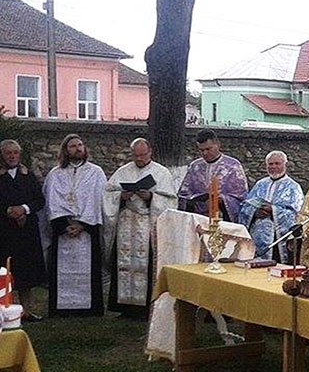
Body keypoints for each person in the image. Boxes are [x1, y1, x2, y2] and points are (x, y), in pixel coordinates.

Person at [102, 138, 177, 318]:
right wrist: (122, 197)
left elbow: (171, 202)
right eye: (136, 155)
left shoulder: (161, 173)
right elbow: (107, 194)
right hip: (126, 224)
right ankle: (126, 308)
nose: (139, 159)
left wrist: (151, 197)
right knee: (124, 264)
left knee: (146, 265)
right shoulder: (123, 172)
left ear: (150, 152)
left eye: (142, 155)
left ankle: (145, 309)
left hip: (147, 226)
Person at [42, 134, 107, 316]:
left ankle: (89, 309)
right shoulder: (55, 174)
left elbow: (100, 200)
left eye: (80, 145)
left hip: (88, 228)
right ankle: (62, 309)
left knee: (89, 270)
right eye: (72, 146)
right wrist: (63, 224)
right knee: (62, 270)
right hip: (62, 228)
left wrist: (83, 224)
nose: (77, 148)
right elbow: (50, 201)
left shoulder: (96, 172)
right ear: (65, 150)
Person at [0, 139, 46, 321]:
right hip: (4, 232)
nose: (12, 156)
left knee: (26, 273)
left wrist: (25, 209)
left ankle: (26, 311)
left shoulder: (27, 175)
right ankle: (5, 312)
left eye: (15, 153)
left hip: (26, 231)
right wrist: (9, 211)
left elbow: (39, 200)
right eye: (8, 153)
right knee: (5, 271)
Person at [238, 150, 304, 262]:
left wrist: (273, 210)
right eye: (270, 164)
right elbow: (245, 206)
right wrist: (254, 213)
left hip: (277, 240)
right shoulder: (260, 184)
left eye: (277, 163)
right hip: (256, 236)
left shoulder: (293, 187)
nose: (273, 167)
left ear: (285, 165)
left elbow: (296, 214)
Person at [177, 129, 248, 222]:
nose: (205, 153)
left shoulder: (232, 166)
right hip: (197, 219)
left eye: (208, 149)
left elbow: (241, 196)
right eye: (201, 150)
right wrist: (194, 200)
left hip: (221, 218)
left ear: (217, 145)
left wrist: (221, 200)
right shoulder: (195, 166)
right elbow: (184, 194)